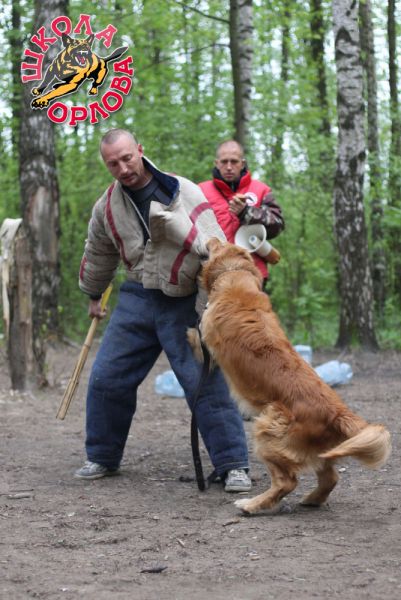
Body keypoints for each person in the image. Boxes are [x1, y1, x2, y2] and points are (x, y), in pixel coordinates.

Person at [74, 128, 251, 493]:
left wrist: (214, 303)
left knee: (204, 380)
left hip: (183, 298)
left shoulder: (184, 191)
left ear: (140, 150)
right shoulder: (107, 206)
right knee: (107, 378)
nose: (123, 168)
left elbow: (215, 247)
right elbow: (98, 251)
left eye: (127, 158)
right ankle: (103, 456)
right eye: (113, 163)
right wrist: (93, 293)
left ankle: (233, 465)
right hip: (136, 298)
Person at [199, 140, 285, 283]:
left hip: (253, 273)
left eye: (234, 161)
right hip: (213, 273)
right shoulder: (200, 191)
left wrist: (247, 213)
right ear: (216, 163)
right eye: (224, 162)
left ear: (243, 163)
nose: (229, 167)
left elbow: (278, 224)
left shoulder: (261, 190)